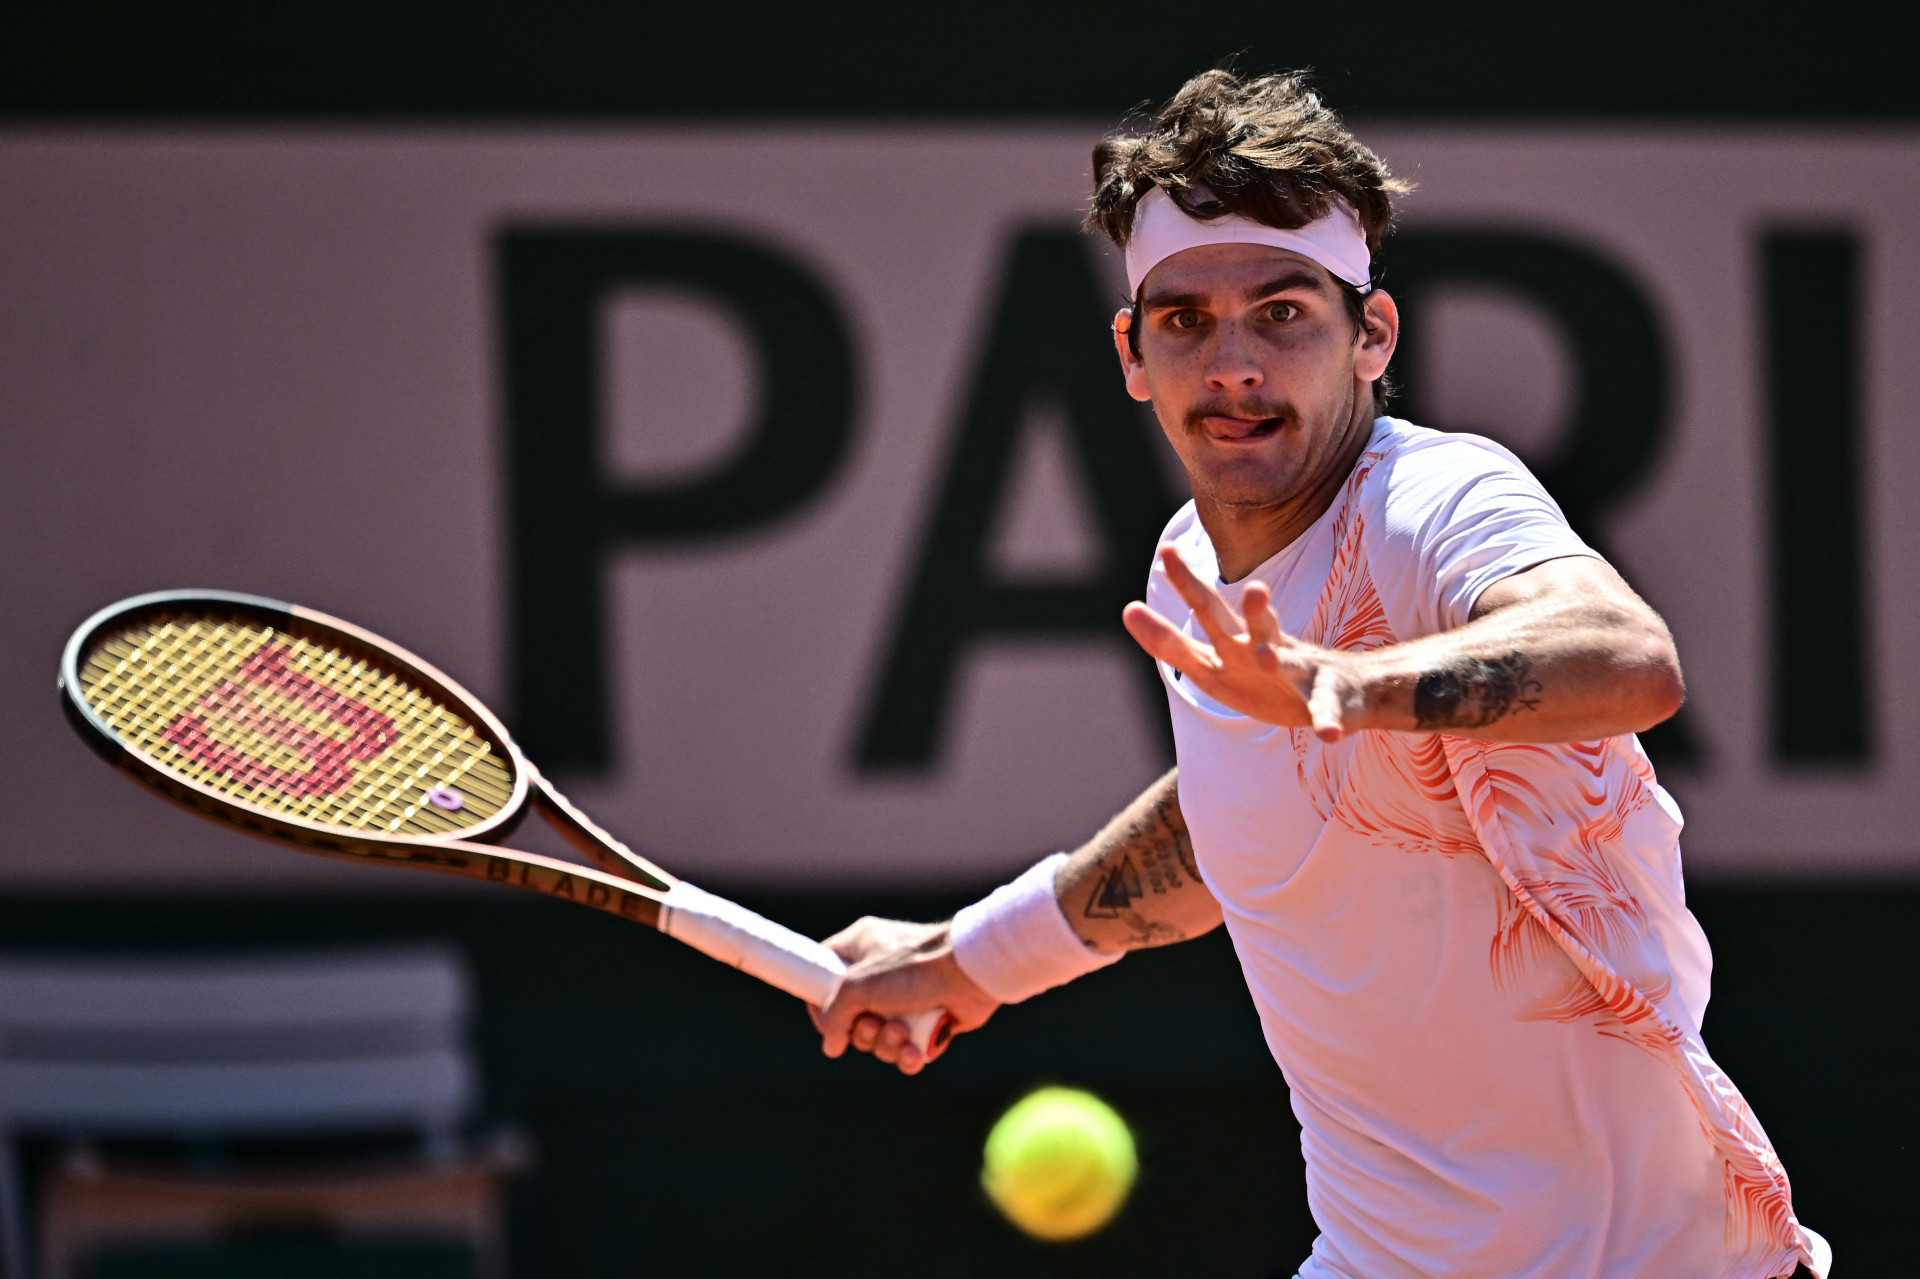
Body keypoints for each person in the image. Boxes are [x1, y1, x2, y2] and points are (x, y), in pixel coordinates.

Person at [813, 69, 1829, 1279]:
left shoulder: (1436, 498)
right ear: (1133, 354)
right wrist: (976, 957)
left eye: (1284, 312)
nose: (1233, 363)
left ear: (1373, 335)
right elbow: (1246, 812)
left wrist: (1345, 688)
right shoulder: (1195, 560)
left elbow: (1623, 656)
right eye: (1184, 320)